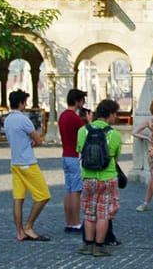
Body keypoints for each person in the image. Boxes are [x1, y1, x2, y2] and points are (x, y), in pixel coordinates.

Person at [75, 98, 122, 257]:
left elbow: (79, 150)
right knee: (103, 213)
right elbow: (115, 158)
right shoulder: (114, 134)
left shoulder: (83, 131)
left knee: (89, 212)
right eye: (115, 114)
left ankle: (88, 245)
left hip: (88, 176)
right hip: (107, 178)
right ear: (110, 114)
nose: (115, 117)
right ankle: (100, 246)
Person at [3, 89, 51, 241]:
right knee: (43, 195)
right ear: (21, 103)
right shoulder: (24, 120)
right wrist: (34, 143)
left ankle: (19, 232)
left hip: (15, 162)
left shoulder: (7, 120)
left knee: (18, 198)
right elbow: (38, 140)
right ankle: (28, 226)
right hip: (28, 163)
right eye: (25, 102)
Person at [58, 88, 87, 233]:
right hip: (75, 156)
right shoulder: (76, 119)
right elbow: (86, 133)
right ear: (77, 101)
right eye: (82, 100)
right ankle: (76, 222)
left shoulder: (63, 116)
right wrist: (88, 121)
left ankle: (68, 222)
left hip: (65, 155)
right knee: (76, 191)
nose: (83, 104)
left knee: (69, 190)